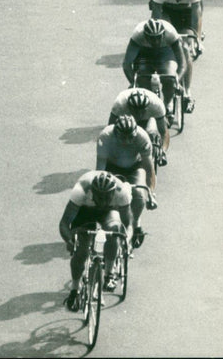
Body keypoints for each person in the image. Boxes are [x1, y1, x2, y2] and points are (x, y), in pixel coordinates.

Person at [59, 171, 132, 309]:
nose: (103, 201)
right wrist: (70, 240)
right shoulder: (80, 191)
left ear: (113, 193)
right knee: (81, 249)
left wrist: (126, 240)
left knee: (114, 230)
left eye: (107, 197)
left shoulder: (121, 192)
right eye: (99, 197)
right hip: (85, 212)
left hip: (109, 213)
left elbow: (128, 224)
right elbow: (64, 223)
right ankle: (74, 289)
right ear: (92, 191)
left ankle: (109, 273)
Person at [95, 115, 155, 249]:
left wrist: (150, 192)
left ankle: (136, 222)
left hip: (135, 166)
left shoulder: (142, 137)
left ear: (135, 132)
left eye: (130, 137)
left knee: (140, 194)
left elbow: (148, 168)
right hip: (111, 166)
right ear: (116, 134)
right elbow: (100, 169)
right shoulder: (105, 137)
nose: (127, 141)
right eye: (123, 137)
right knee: (107, 192)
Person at [122, 17, 188, 115]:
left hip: (165, 51)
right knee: (143, 79)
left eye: (158, 37)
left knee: (170, 78)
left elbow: (182, 63)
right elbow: (127, 64)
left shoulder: (170, 33)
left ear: (163, 34)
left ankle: (167, 103)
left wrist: (177, 80)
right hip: (144, 52)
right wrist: (134, 82)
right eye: (152, 38)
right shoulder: (137, 35)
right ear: (145, 35)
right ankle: (148, 104)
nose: (155, 41)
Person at [149, 0, 204, 70]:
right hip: (167, 11)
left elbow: (197, 17)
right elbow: (156, 18)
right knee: (166, 34)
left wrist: (197, 39)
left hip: (186, 12)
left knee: (188, 42)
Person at [108, 87, 168, 167]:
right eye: (135, 111)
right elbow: (110, 129)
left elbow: (164, 132)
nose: (139, 115)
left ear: (147, 107)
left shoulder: (156, 105)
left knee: (150, 131)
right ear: (129, 106)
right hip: (127, 117)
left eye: (142, 111)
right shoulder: (120, 104)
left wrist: (162, 151)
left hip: (149, 118)